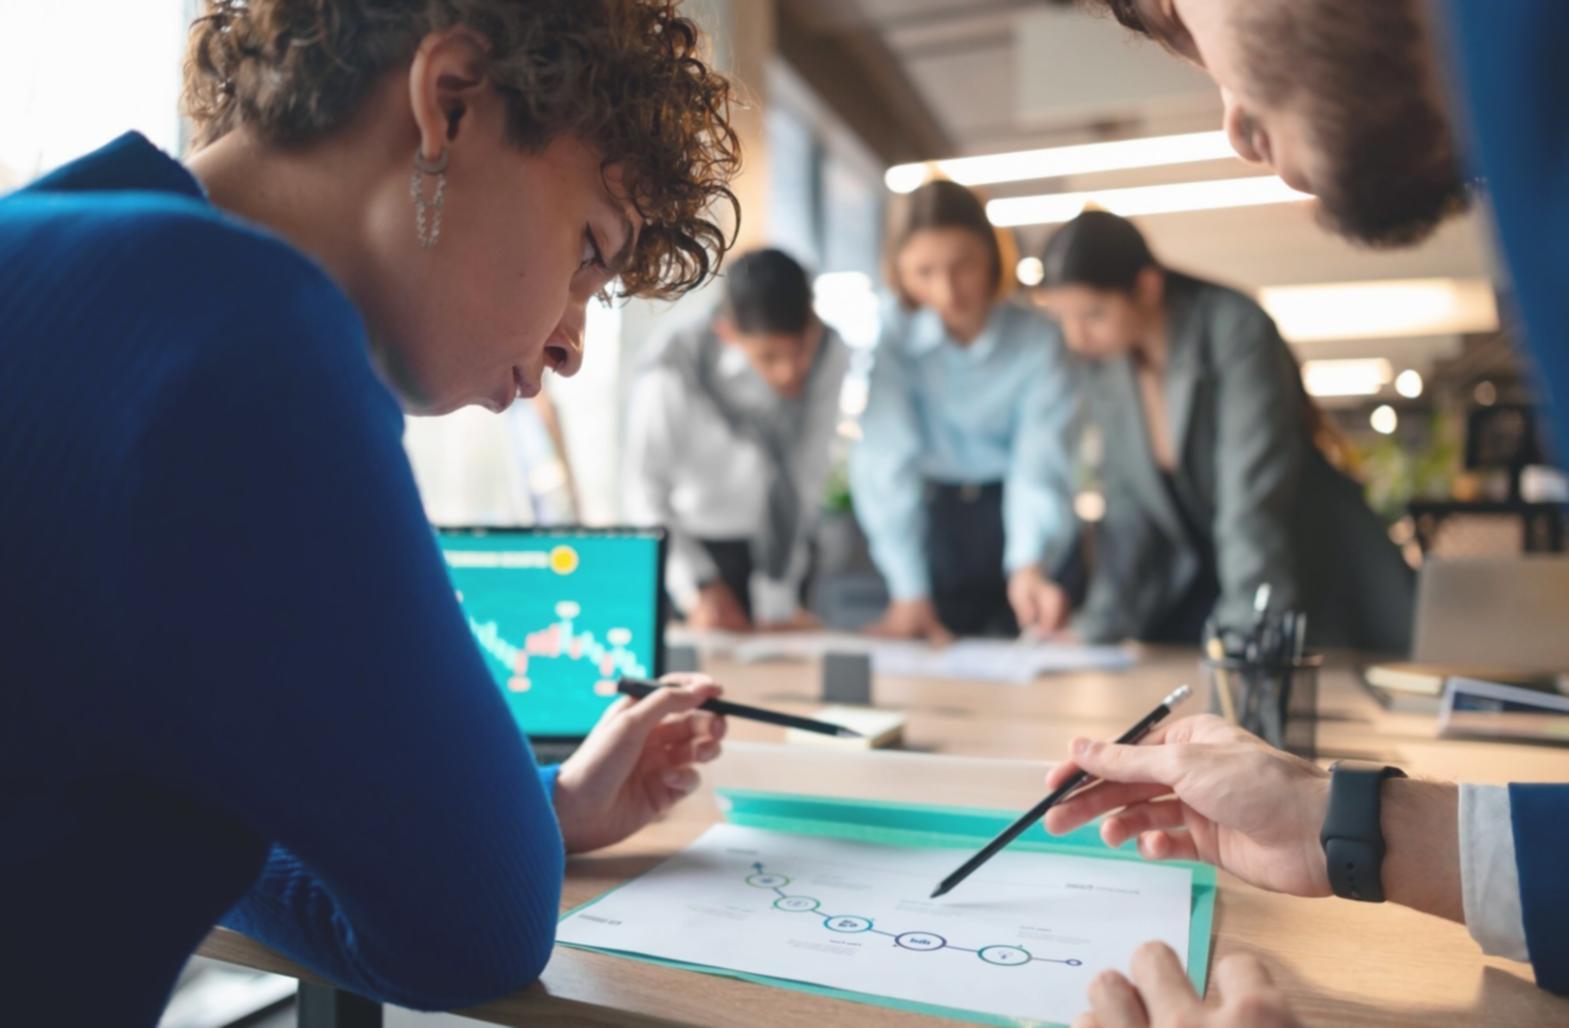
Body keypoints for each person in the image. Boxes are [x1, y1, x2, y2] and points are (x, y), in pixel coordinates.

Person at [0, 1, 740, 1023]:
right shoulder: (242, 340)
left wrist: (545, 810)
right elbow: (475, 928)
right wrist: (516, 827)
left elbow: (150, 749)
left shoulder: (46, 248)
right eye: (588, 247)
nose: (572, 345)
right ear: (451, 104)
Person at [1053, 1, 1569, 1022]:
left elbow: (1254, 510)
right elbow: (1137, 517)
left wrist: (1248, 655)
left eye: (1184, 20)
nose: (1235, 128)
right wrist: (1349, 819)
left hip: (1316, 582)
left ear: (1143, 287)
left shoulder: (1230, 328)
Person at [1037, 210, 1412, 651]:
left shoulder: (1235, 327)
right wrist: (1097, 627)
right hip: (1212, 583)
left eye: (1093, 314)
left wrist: (1247, 628)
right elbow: (1126, 509)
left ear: (1147, 287)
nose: (1076, 336)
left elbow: (1250, 494)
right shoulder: (1107, 367)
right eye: (1064, 318)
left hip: (1306, 562)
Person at [851, 179, 1079, 642]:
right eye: (924, 271)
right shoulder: (894, 335)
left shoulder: (1039, 339)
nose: (947, 290)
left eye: (963, 266)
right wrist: (908, 588)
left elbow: (1040, 460)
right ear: (899, 271)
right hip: (932, 524)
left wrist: (1028, 564)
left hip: (1020, 517)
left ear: (992, 257)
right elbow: (886, 461)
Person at [625, 248, 850, 631]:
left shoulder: (829, 351)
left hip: (783, 547)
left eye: (800, 351)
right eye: (769, 356)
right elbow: (644, 488)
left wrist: (778, 596)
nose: (789, 373)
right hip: (695, 552)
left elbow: (805, 474)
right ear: (727, 332)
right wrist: (698, 586)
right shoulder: (674, 364)